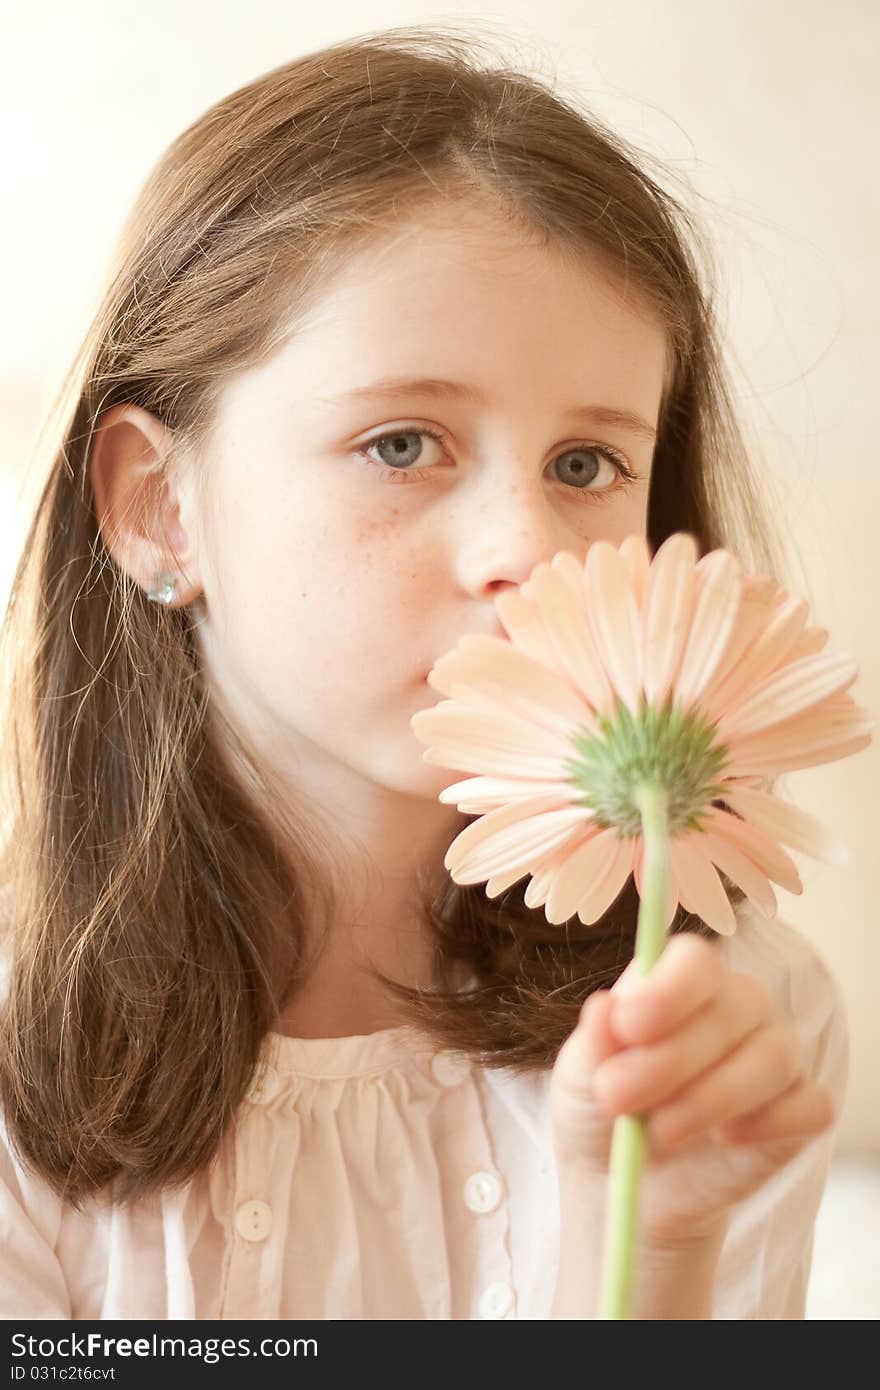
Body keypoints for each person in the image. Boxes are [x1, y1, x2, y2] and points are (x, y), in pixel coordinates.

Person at [0, 26, 848, 1320]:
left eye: (586, 465)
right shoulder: (21, 1054)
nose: (528, 548)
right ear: (159, 509)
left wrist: (658, 1260)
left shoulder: (730, 1030)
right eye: (404, 442)